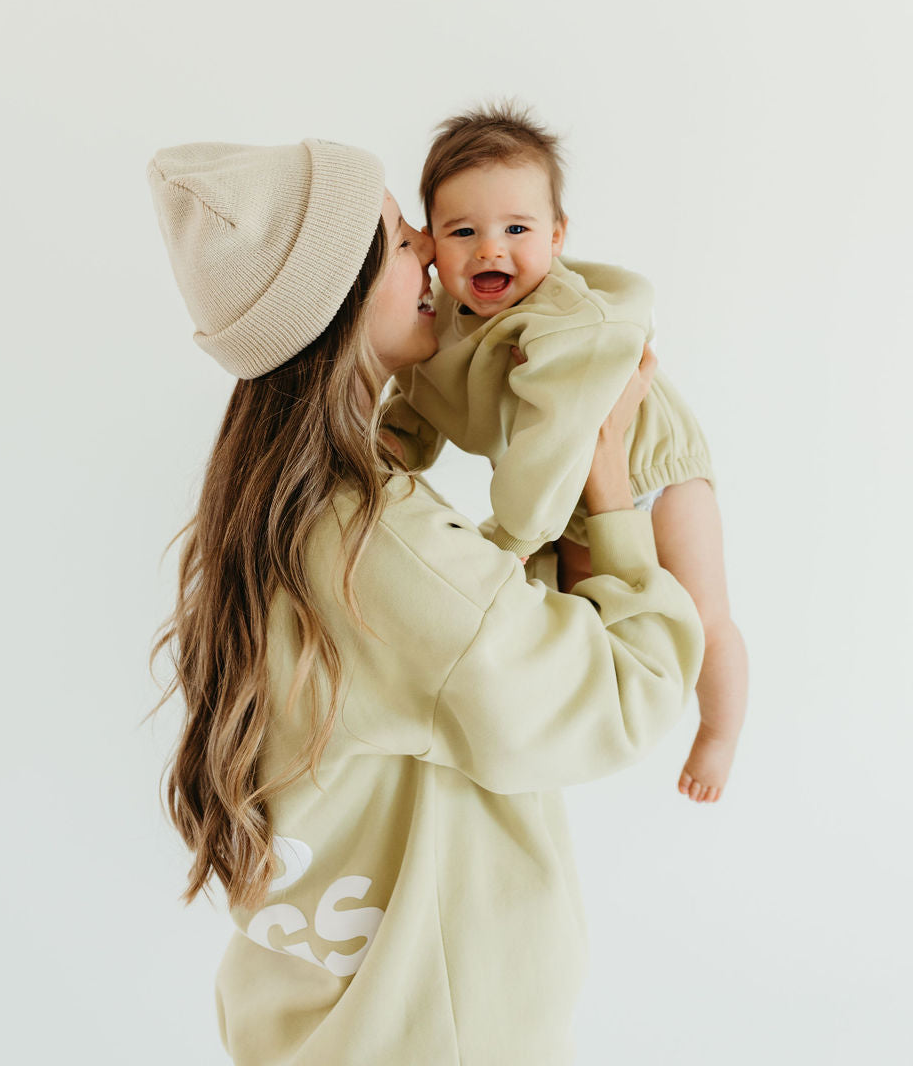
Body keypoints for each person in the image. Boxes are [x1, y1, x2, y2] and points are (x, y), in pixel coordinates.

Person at [146, 134, 704, 1066]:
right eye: (406, 242)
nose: (434, 260)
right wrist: (606, 483)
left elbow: (459, 638)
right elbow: (623, 692)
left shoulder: (263, 521)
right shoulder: (380, 547)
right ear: (338, 301)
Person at [383, 102, 748, 803]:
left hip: (650, 470)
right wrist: (391, 449)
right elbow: (421, 399)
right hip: (570, 499)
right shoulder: (441, 321)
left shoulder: (564, 320)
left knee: (701, 616)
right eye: (465, 232)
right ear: (432, 242)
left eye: (516, 230)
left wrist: (512, 538)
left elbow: (557, 438)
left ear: (557, 237)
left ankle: (719, 731)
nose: (491, 250)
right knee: (594, 620)